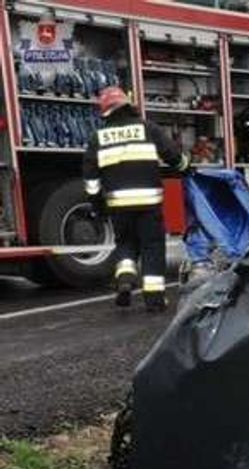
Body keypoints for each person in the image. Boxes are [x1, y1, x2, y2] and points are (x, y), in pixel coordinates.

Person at [82, 86, 189, 311]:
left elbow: (91, 180)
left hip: (118, 207)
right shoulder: (147, 128)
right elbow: (172, 155)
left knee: (126, 244)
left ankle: (125, 278)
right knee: (152, 247)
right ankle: (154, 300)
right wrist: (186, 167)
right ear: (127, 105)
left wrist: (97, 206)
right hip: (149, 205)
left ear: (106, 112)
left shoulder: (97, 138)